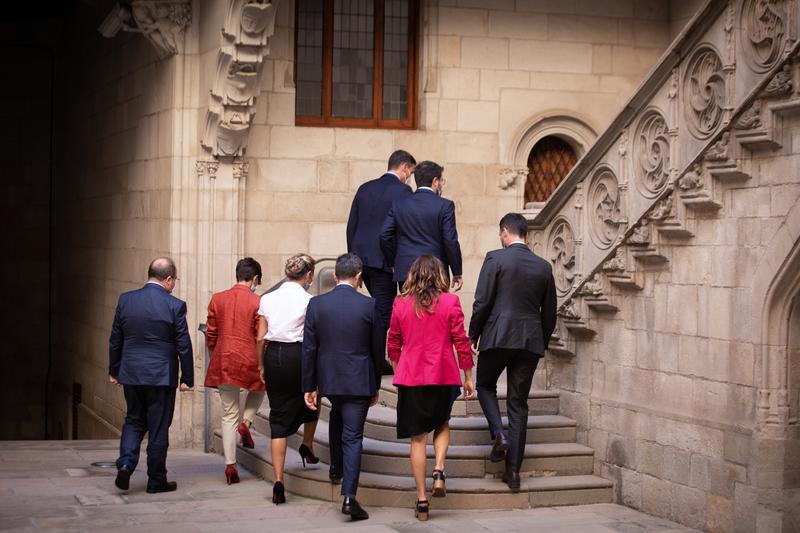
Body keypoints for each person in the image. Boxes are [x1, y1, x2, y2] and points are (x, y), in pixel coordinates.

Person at [468, 213, 557, 491]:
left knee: (484, 385)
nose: (500, 238)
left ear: (505, 232)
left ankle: (499, 434)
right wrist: (540, 342)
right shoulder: (544, 267)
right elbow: (550, 312)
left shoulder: (495, 258)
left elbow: (482, 301)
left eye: (500, 234)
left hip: (498, 335)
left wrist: (473, 334)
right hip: (529, 340)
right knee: (518, 404)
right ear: (526, 234)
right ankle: (514, 472)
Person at [387, 255, 475, 521]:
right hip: (443, 374)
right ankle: (438, 468)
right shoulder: (450, 301)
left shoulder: (401, 303)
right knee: (442, 422)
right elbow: (461, 340)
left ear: (412, 275)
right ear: (439, 275)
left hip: (412, 376)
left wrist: (399, 370)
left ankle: (422, 501)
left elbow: (393, 342)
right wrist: (468, 375)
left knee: (417, 438)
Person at [301, 253, 385, 521]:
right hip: (359, 379)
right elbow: (377, 350)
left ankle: (336, 467)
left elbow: (309, 348)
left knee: (337, 414)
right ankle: (349, 496)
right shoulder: (370, 305)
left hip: (330, 379)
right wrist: (375, 384)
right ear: (359, 277)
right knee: (353, 437)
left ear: (335, 275)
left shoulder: (317, 304)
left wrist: (309, 385)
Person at [109, 257, 194, 494]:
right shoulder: (175, 305)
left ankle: (126, 464)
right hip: (161, 376)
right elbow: (184, 345)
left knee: (134, 420)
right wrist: (187, 378)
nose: (174, 285)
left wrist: (114, 370)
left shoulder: (126, 300)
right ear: (168, 279)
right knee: (158, 427)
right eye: (174, 280)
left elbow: (115, 339)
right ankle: (156, 480)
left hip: (132, 373)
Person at [256, 253, 320, 504]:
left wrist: (261, 365)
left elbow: (260, 337)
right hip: (300, 354)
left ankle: (278, 481)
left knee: (278, 417)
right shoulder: (309, 301)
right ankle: (307, 443)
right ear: (308, 275)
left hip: (274, 355)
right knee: (313, 398)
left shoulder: (267, 298)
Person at [204, 257, 266, 485]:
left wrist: (215, 355)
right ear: (255, 279)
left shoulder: (217, 298)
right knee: (261, 387)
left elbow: (211, 333)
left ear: (237, 275)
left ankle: (230, 466)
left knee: (228, 414)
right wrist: (261, 363)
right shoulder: (258, 301)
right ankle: (246, 422)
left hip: (224, 359)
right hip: (249, 358)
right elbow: (260, 335)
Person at [346, 150, 415, 341]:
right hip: (384, 261)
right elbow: (402, 229)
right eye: (411, 172)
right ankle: (375, 356)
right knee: (384, 314)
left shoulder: (364, 188)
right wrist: (395, 262)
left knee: (379, 309)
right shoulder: (403, 191)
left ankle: (374, 353)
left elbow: (351, 227)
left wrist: (353, 263)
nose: (410, 177)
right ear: (404, 168)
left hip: (361, 260)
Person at [379, 160, 463, 292]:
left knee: (409, 305)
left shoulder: (399, 204)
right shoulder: (445, 205)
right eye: (441, 180)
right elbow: (450, 241)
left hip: (406, 271)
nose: (441, 184)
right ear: (435, 181)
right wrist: (457, 272)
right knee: (435, 306)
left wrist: (394, 263)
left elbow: (384, 235)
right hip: (435, 272)